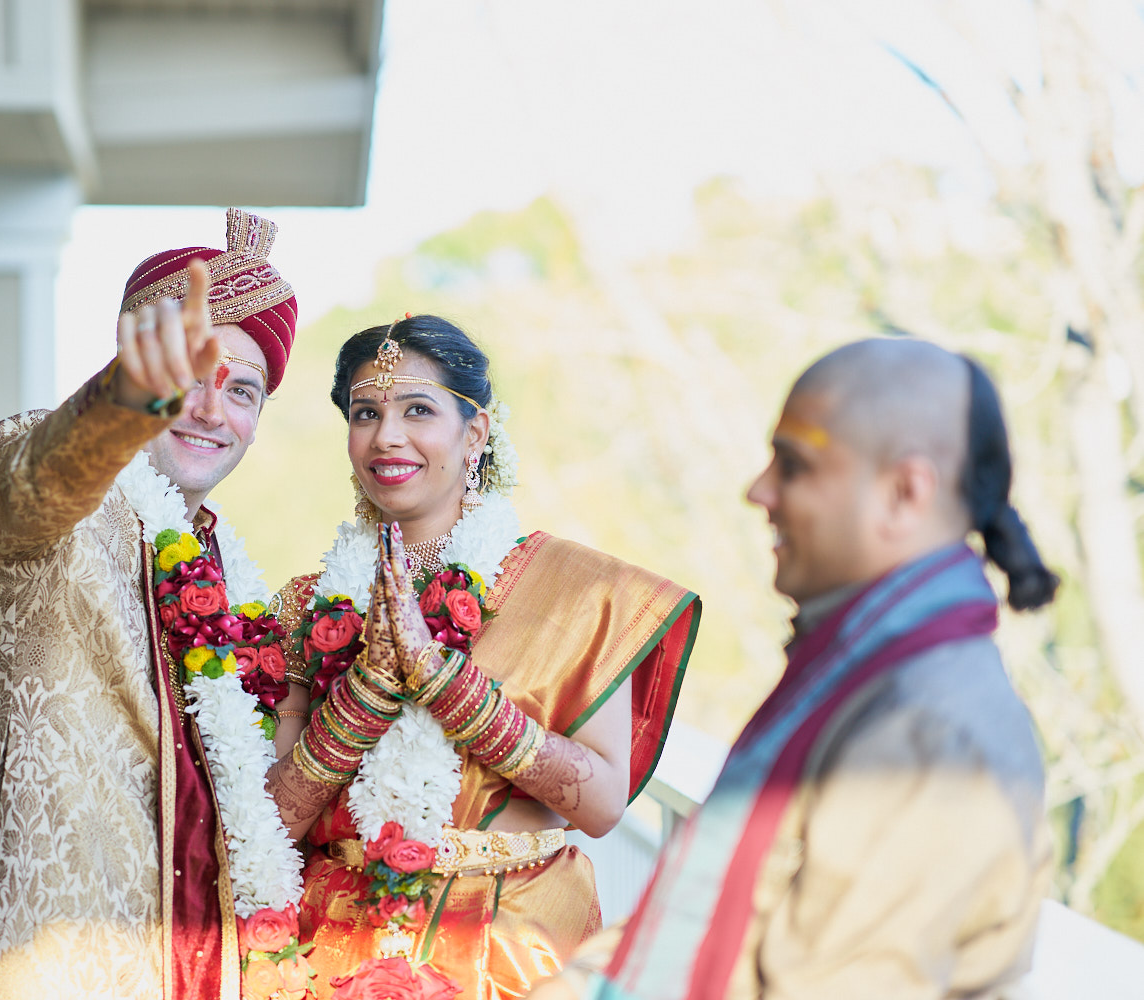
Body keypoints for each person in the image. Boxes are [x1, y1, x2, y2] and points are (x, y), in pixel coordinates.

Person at [530, 338, 1056, 1000]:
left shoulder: (932, 728)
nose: (758, 491)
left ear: (904, 493)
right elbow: (693, 921)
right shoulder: (853, 673)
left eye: (794, 465)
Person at [263, 315, 701, 999]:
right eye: (365, 413)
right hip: (332, 951)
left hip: (513, 950)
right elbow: (274, 823)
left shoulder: (576, 594)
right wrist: (367, 695)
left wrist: (441, 681)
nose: (387, 436)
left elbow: (604, 805)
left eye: (418, 410)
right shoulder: (304, 607)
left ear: (475, 433)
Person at [0, 209, 302, 1000]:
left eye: (242, 391)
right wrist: (121, 403)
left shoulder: (229, 579)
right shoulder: (54, 497)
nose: (211, 411)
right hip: (55, 963)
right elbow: (32, 483)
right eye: (187, 377)